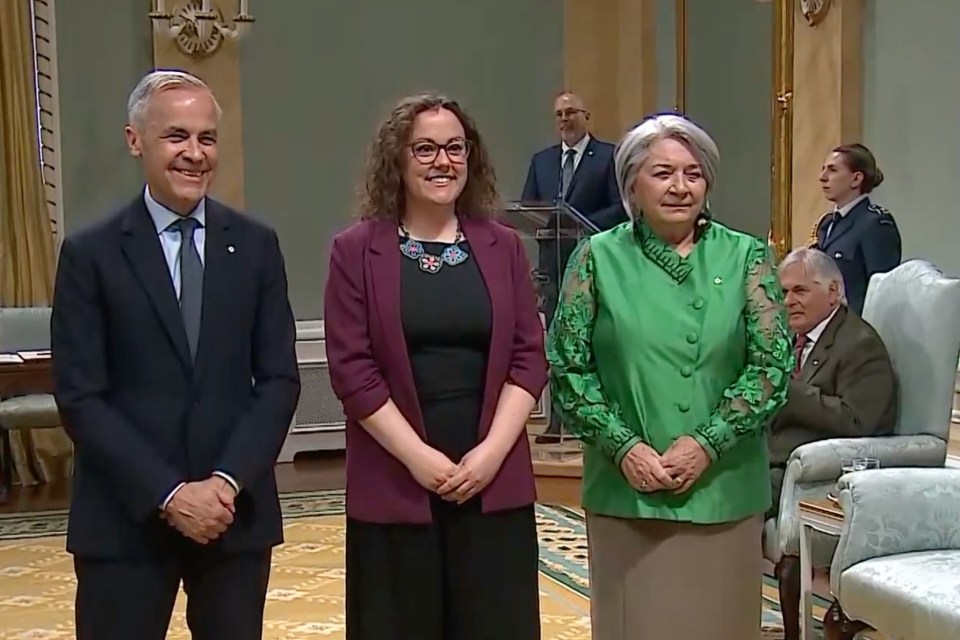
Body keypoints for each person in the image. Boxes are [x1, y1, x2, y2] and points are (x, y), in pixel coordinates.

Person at [50, 70, 300, 640]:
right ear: (135, 140)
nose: (195, 154)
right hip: (125, 518)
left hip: (233, 517)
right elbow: (81, 396)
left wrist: (226, 482)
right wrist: (168, 494)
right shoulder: (91, 253)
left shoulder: (256, 245)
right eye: (177, 137)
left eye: (207, 138)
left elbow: (280, 379)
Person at [546, 113, 793, 639]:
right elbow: (568, 367)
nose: (680, 187)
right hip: (626, 492)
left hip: (723, 490)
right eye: (662, 173)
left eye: (693, 173)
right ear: (632, 182)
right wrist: (624, 448)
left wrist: (705, 444)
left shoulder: (747, 256)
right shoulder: (596, 258)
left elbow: (771, 367)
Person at [324, 92, 548, 640]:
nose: (442, 162)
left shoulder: (504, 247)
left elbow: (528, 356)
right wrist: (420, 459)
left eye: (454, 148)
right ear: (396, 161)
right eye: (424, 149)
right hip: (395, 479)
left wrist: (491, 455)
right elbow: (353, 370)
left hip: (492, 480)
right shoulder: (355, 251)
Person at [768, 247, 897, 640]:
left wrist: (789, 391)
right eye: (784, 292)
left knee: (728, 498)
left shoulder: (859, 344)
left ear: (834, 290)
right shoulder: (789, 340)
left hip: (821, 474)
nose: (789, 301)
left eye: (801, 291)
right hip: (772, 459)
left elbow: (859, 422)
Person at [522, 92, 626, 441]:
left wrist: (578, 223)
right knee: (558, 343)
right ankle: (557, 419)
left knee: (594, 341)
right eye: (558, 115)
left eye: (570, 112)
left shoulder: (608, 157)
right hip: (554, 264)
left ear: (586, 116)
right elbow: (528, 206)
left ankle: (597, 418)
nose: (564, 119)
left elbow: (620, 207)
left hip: (594, 262)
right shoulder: (542, 161)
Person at [812, 143, 901, 314]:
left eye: (833, 170)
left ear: (856, 179)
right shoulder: (827, 223)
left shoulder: (876, 223)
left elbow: (883, 293)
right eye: (823, 169)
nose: (822, 177)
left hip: (855, 329)